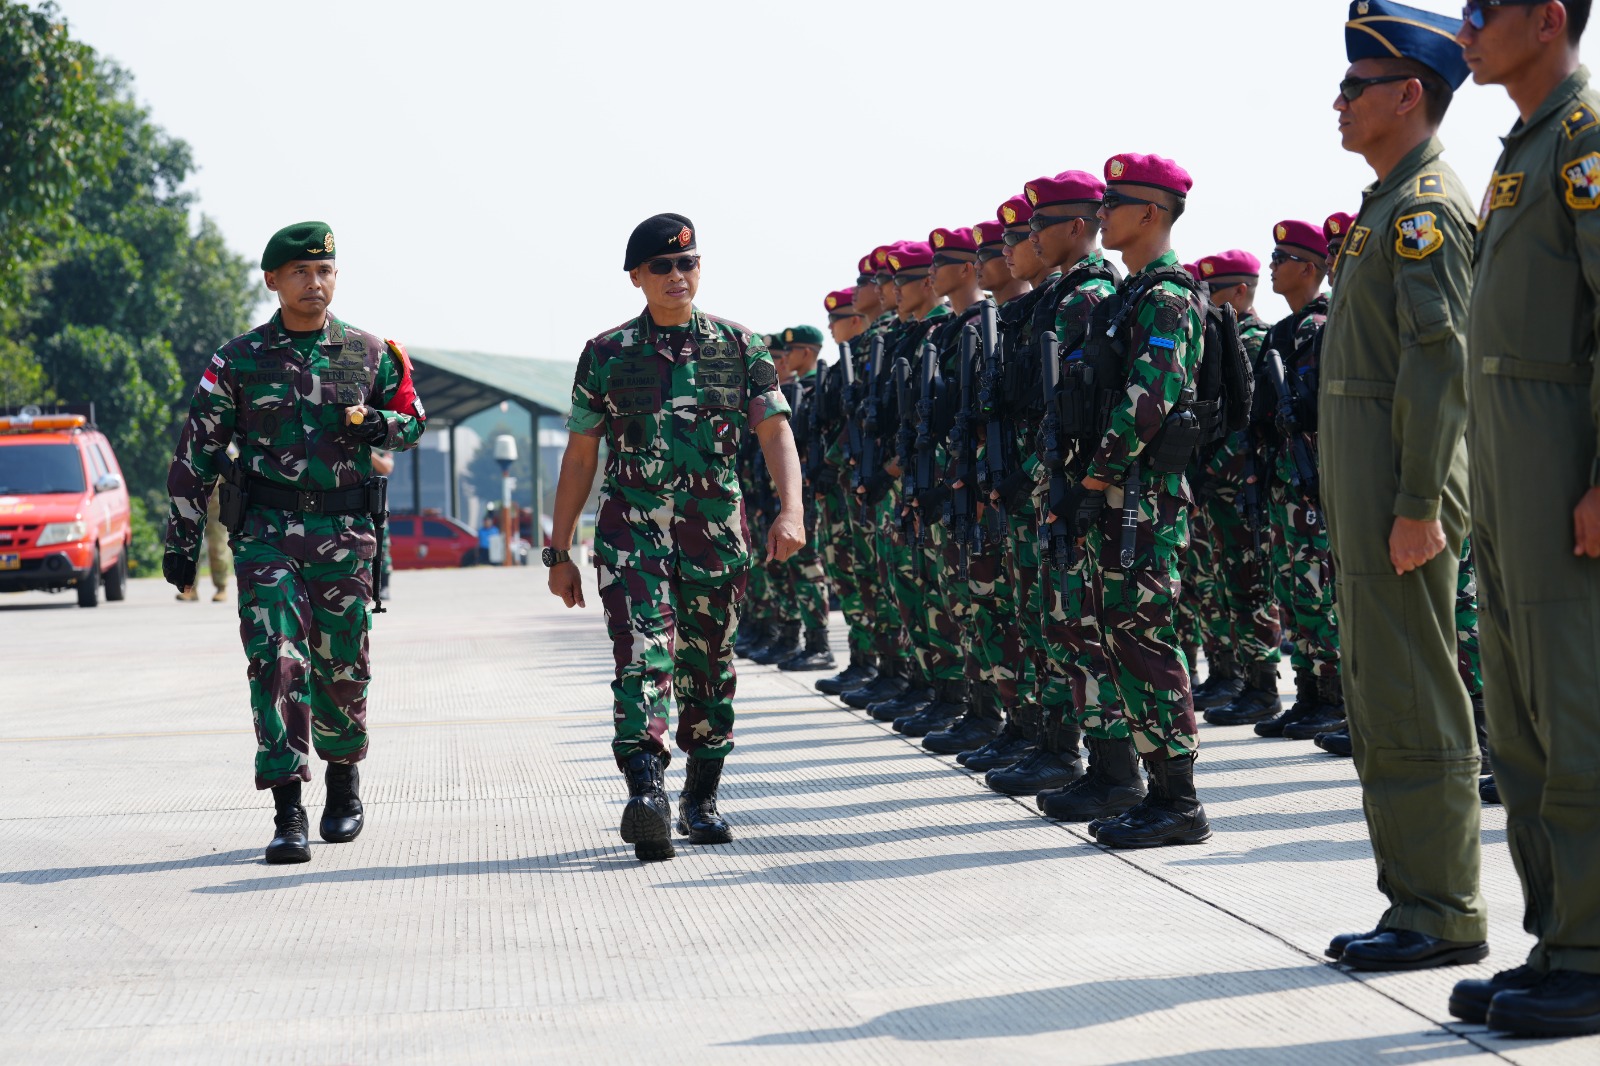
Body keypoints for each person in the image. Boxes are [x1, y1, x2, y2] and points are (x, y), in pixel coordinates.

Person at [162, 220, 426, 864]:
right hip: (267, 537)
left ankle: (343, 783)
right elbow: (197, 449)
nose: (316, 282)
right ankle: (287, 808)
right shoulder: (239, 360)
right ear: (273, 281)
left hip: (345, 536)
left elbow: (412, 422)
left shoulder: (370, 353)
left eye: (326, 270)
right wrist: (182, 536)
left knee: (342, 665)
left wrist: (378, 426)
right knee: (276, 659)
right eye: (301, 272)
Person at [548, 213, 803, 863]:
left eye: (686, 263)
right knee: (642, 656)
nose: (676, 276)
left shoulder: (740, 346)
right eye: (660, 266)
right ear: (636, 277)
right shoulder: (606, 355)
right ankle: (648, 794)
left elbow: (775, 431)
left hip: (714, 538)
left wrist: (790, 511)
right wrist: (558, 551)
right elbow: (580, 456)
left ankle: (701, 796)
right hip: (630, 537)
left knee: (708, 667)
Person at [1319, 1, 1487, 972]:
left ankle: (1443, 908)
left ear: (1406, 94)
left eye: (1353, 87)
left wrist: (1420, 502)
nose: (1336, 104)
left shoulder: (1422, 208)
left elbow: (1439, 364)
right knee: (1382, 701)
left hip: (1403, 501)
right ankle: (1414, 899)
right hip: (1377, 497)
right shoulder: (1387, 205)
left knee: (1415, 699)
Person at [1451, 0, 1600, 1036]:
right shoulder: (1524, 147)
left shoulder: (1586, 139)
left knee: (1574, 708)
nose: (1466, 26)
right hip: (1508, 455)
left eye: (1483, 8)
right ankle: (1558, 938)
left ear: (1548, 19)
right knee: (1518, 720)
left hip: (1558, 451)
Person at [1077, 152, 1211, 849]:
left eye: (1115, 202)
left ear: (1151, 213)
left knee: (1148, 640)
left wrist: (1099, 475)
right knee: (1125, 638)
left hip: (1145, 497)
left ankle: (1180, 801)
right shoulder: (1129, 296)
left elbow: (1149, 400)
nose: (1103, 214)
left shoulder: (1167, 297)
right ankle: (1158, 792)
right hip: (1124, 495)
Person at [1252, 220, 1344, 741]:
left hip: (1313, 475)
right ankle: (1308, 692)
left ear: (1309, 268)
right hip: (1286, 476)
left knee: (1316, 588)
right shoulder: (1283, 332)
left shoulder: (1319, 324)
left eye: (1282, 257)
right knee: (1293, 586)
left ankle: (1331, 696)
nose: (1273, 265)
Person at [1191, 250, 1284, 728]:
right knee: (1220, 587)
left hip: (1239, 483)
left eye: (1215, 292)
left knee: (1250, 587)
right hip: (1217, 488)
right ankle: (1232, 675)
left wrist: (1211, 473)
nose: (1205, 301)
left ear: (1241, 293)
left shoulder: (1253, 340)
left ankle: (1262, 686)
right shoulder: (1219, 338)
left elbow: (1244, 424)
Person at [177, 487, 233, 603]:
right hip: (192, 495)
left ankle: (221, 587)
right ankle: (190, 588)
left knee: (217, 546)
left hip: (217, 500)